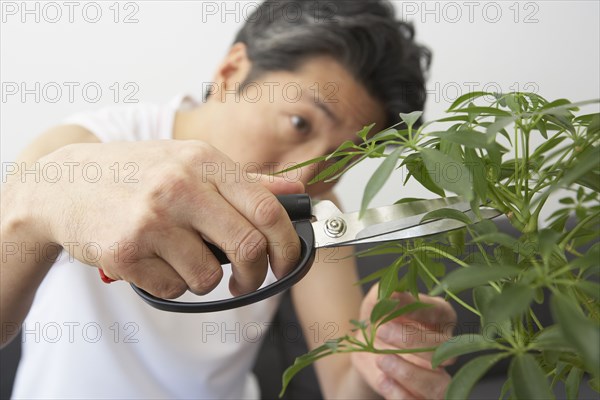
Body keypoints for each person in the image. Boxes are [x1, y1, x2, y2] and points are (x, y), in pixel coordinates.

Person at [0, 1, 456, 398]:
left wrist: (385, 363)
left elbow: (343, 384)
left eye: (341, 160)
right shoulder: (88, 145)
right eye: (299, 123)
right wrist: (42, 207)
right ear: (230, 71)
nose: (304, 175)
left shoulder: (314, 207)